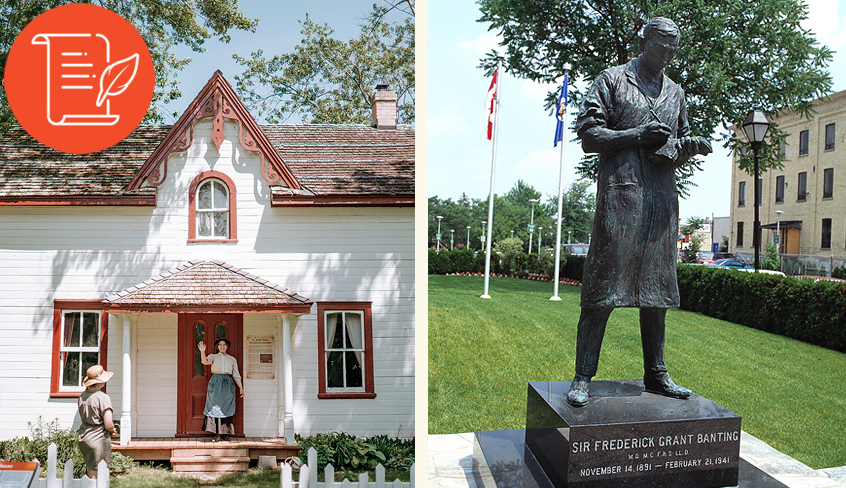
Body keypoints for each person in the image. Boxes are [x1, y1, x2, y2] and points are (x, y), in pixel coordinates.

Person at [566, 17, 712, 407]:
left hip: (661, 202)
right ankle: (583, 375)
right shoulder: (612, 80)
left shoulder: (675, 92)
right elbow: (588, 136)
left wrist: (689, 145)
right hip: (621, 199)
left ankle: (657, 373)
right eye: (661, 46)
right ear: (645, 41)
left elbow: (672, 146)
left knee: (657, 292)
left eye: (673, 50)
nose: (666, 55)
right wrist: (634, 136)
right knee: (602, 289)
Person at [197, 338, 244, 441]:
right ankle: (217, 434)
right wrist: (202, 351)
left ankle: (225, 434)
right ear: (217, 347)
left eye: (224, 345)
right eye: (220, 345)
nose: (222, 346)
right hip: (216, 382)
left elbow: (236, 375)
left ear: (227, 347)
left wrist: (241, 387)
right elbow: (205, 362)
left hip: (228, 383)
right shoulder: (213, 356)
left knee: (226, 407)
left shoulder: (232, 359)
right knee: (215, 407)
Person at [77, 365, 117, 479]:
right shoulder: (102, 397)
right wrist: (111, 429)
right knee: (99, 473)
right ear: (99, 382)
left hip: (84, 436)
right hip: (98, 438)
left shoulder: (82, 396)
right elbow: (108, 423)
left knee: (91, 468)